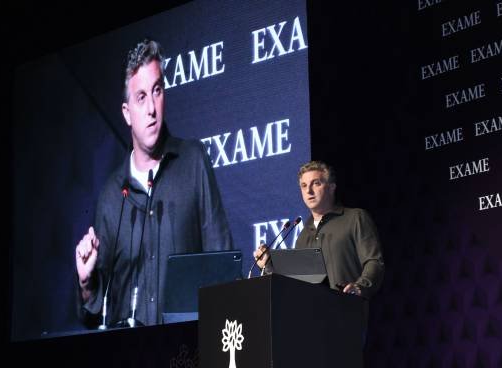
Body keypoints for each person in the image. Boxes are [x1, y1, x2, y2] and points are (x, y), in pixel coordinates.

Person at [75, 38, 233, 327]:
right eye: (141, 97)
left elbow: (222, 267)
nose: (151, 108)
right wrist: (87, 282)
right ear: (127, 113)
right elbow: (94, 314)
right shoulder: (112, 195)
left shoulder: (193, 161)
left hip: (188, 346)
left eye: (157, 91)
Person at [254, 160, 384, 299]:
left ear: (331, 187)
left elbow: (374, 261)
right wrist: (268, 265)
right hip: (314, 311)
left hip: (350, 307)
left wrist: (360, 287)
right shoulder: (303, 236)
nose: (308, 191)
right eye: (304, 186)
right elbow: (298, 284)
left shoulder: (355, 218)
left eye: (316, 183)